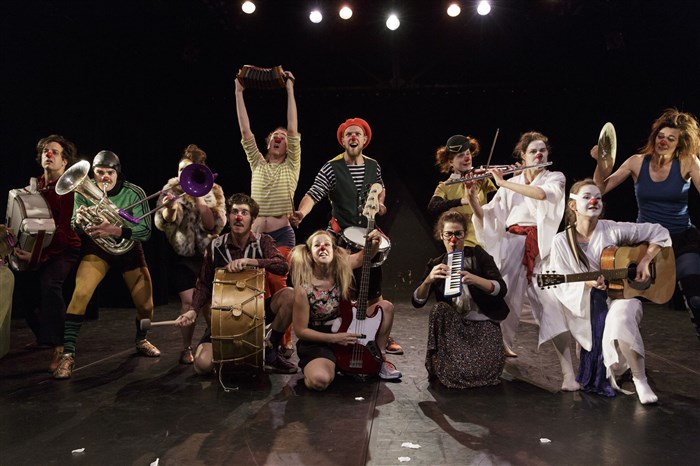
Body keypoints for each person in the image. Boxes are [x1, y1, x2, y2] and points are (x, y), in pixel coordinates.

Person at [467, 131, 581, 391]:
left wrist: (502, 182)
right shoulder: (513, 183)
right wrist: (473, 198)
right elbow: (488, 216)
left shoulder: (555, 177)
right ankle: (490, 359)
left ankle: (568, 374)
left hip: (541, 251)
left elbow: (541, 195)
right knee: (501, 302)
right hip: (511, 248)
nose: (539, 154)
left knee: (551, 307)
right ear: (523, 155)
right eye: (533, 151)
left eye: (542, 150)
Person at [548, 179, 671, 404]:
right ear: (572, 206)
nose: (594, 201)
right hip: (586, 304)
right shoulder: (561, 241)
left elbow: (658, 231)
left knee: (621, 317)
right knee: (551, 307)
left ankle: (640, 380)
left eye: (598, 197)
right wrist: (587, 284)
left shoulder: (612, 229)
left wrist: (645, 261)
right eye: (587, 197)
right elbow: (561, 279)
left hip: (620, 296)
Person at [291, 117, 403, 356]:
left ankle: (378, 332)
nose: (353, 137)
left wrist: (381, 203)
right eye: (348, 134)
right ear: (343, 140)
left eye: (357, 134)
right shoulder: (331, 167)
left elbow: (380, 188)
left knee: (372, 286)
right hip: (340, 234)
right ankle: (341, 330)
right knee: (342, 288)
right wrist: (301, 212)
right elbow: (314, 193)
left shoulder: (373, 165)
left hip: (367, 232)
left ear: (364, 139)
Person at [592, 109, 700, 340]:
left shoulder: (687, 162)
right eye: (661, 136)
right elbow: (600, 189)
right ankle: (619, 348)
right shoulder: (637, 162)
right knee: (626, 300)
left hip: (680, 240)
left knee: (696, 297)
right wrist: (601, 163)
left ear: (679, 143)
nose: (663, 141)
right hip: (644, 242)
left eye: (671, 139)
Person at [53, 150, 160, 379]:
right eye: (99, 172)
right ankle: (68, 354)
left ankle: (141, 340)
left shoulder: (133, 192)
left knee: (146, 306)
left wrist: (114, 229)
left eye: (109, 172)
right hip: (98, 248)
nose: (104, 177)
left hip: (128, 249)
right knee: (80, 294)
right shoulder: (83, 190)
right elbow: (74, 224)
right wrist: (80, 220)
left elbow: (145, 231)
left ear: (117, 173)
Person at [175, 193, 297, 375]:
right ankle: (229, 349)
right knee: (202, 366)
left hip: (257, 313)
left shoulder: (262, 242)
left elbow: (283, 266)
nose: (239, 217)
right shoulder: (215, 246)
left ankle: (271, 350)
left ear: (253, 219)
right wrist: (193, 310)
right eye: (235, 212)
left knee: (290, 295)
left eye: (244, 213)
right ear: (229, 217)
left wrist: (252, 262)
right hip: (223, 318)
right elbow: (204, 283)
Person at [235, 68, 300, 357]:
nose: (279, 137)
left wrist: (289, 89)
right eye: (274, 135)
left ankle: (282, 339)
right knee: (253, 286)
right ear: (267, 143)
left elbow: (293, 127)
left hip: (281, 236)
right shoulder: (257, 164)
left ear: (288, 146)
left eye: (283, 137)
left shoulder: (292, 165)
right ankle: (252, 336)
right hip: (253, 238)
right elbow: (245, 131)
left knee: (276, 280)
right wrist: (238, 92)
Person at [289, 229, 401, 391]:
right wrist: (335, 338)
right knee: (319, 381)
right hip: (321, 341)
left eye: (327, 244)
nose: (322, 248)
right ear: (309, 253)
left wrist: (375, 243)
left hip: (347, 329)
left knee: (386, 307)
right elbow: (301, 331)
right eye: (317, 245)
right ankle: (324, 365)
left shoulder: (340, 266)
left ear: (334, 251)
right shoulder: (303, 289)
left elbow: (364, 256)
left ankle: (379, 359)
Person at [412, 211, 508, 388]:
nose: (453, 239)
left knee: (483, 370)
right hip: (456, 330)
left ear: (465, 234)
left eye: (458, 234)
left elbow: (501, 289)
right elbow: (417, 301)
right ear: (441, 235)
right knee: (439, 309)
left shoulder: (478, 255)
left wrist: (476, 280)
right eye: (448, 234)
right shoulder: (437, 263)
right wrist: (428, 281)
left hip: (483, 324)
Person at [12, 135, 82, 372]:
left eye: (54, 152)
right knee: (22, 286)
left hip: (65, 248)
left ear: (65, 161)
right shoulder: (36, 186)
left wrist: (36, 258)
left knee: (50, 285)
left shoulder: (68, 189)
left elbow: (63, 233)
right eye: (45, 151)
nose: (48, 154)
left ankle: (62, 347)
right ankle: (44, 337)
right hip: (40, 248)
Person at [154, 144, 226, 364]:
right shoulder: (171, 190)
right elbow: (164, 223)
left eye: (187, 170)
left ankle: (216, 344)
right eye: (179, 170)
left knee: (209, 306)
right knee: (188, 303)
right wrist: (170, 208)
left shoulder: (214, 190)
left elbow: (213, 225)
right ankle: (186, 347)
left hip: (207, 257)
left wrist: (199, 195)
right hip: (182, 257)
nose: (181, 175)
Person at [427, 135, 496, 247]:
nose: (467, 158)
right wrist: (462, 201)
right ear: (451, 161)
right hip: (462, 244)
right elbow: (433, 207)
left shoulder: (482, 179)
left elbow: (499, 203)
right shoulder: (444, 186)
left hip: (486, 242)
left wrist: (503, 181)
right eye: (460, 155)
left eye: (468, 153)